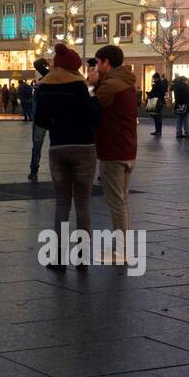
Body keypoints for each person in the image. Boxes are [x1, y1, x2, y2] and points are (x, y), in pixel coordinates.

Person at [35, 44, 100, 269]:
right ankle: (82, 258)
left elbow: (40, 121)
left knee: (62, 203)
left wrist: (55, 121)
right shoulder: (79, 86)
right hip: (83, 147)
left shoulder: (44, 87)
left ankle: (60, 258)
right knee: (83, 204)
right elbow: (95, 117)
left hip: (58, 147)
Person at [90, 45, 137, 257]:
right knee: (122, 200)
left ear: (106, 62)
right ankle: (122, 247)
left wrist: (92, 86)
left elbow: (91, 110)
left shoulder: (109, 86)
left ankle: (120, 250)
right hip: (127, 148)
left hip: (113, 149)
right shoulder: (125, 81)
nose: (96, 67)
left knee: (116, 202)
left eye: (98, 63)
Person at [28, 58, 51, 180]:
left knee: (38, 145)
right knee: (37, 146)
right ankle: (34, 169)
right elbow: (37, 63)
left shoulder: (57, 76)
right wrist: (46, 61)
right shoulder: (49, 73)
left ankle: (34, 170)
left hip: (44, 116)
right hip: (43, 116)